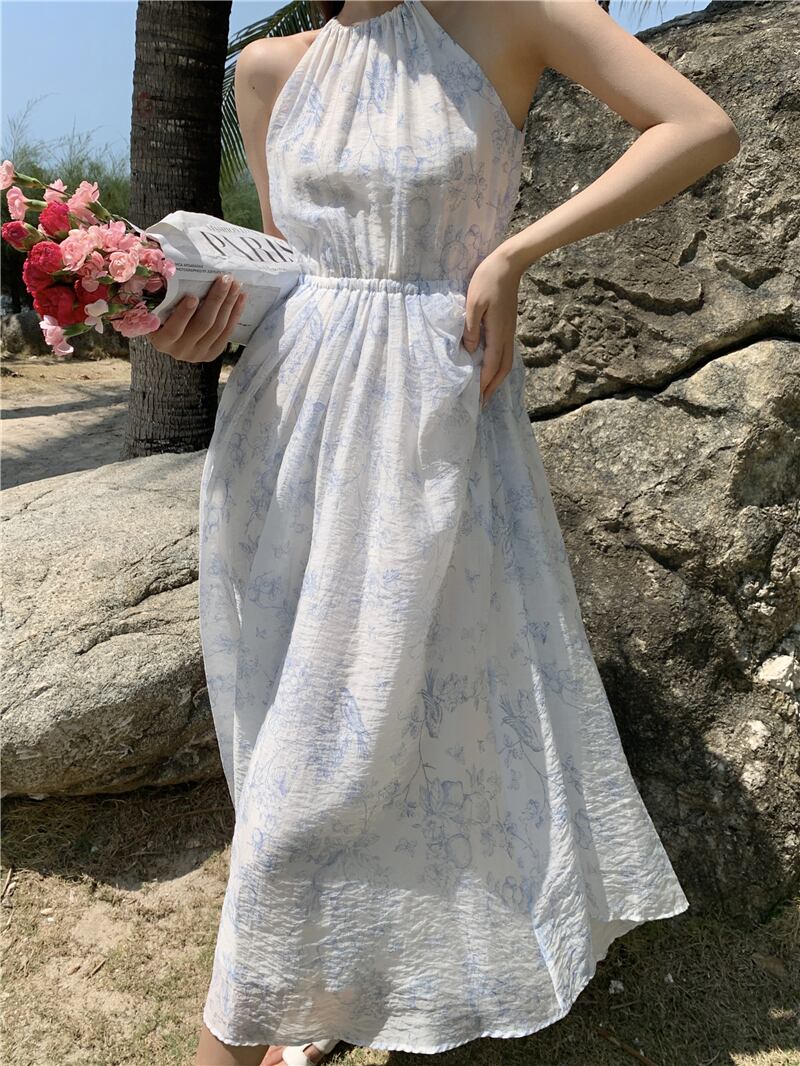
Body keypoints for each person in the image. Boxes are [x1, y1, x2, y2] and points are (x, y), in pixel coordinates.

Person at [151, 2, 739, 1064]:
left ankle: (259, 1018)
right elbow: (286, 272)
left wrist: (515, 252)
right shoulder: (269, 68)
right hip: (284, 435)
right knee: (299, 743)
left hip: (431, 425)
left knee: (381, 736)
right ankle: (320, 993)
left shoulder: (511, 14)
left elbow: (697, 126)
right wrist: (198, 321)